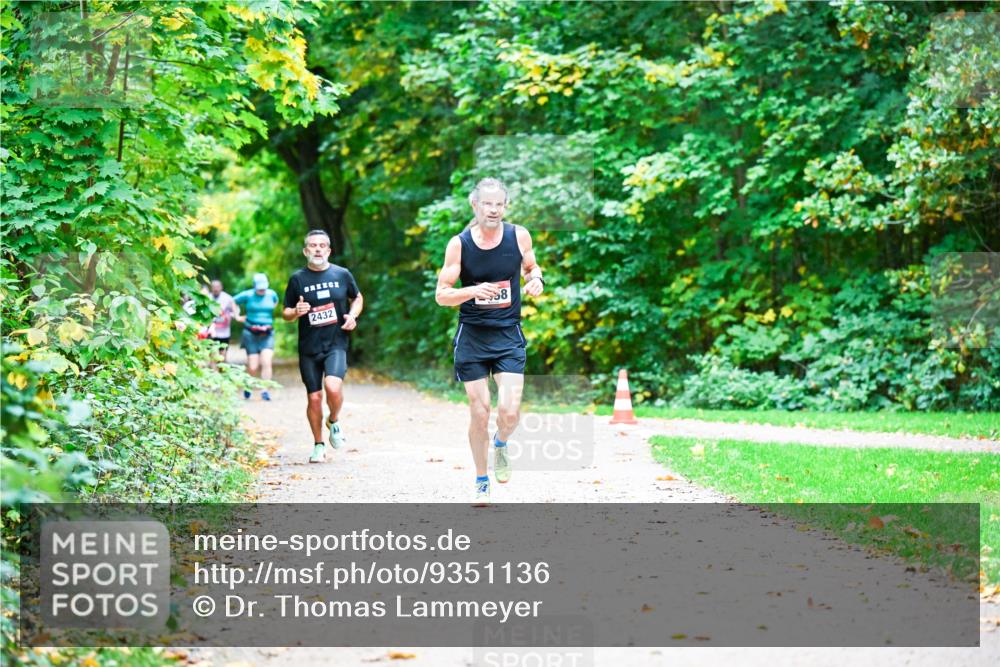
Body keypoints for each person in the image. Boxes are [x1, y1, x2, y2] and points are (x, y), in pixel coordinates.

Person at [434, 178, 544, 504]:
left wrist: (536, 279)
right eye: (487, 204)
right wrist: (471, 291)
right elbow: (442, 295)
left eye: (499, 204)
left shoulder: (518, 235)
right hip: (472, 337)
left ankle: (501, 443)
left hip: (509, 335)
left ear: (505, 207)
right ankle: (482, 479)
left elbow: (531, 266)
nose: (493, 210)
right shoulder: (459, 244)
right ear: (475, 205)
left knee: (509, 412)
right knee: (479, 411)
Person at [282, 230, 363, 464]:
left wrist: (353, 315)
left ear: (328, 250)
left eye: (322, 245)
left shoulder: (342, 274)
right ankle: (318, 444)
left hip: (336, 342)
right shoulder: (298, 279)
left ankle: (334, 420)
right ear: (306, 251)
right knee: (315, 397)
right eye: (312, 246)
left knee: (333, 387)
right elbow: (285, 311)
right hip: (308, 347)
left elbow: (357, 297)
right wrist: (295, 312)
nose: (317, 249)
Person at [234, 273, 279, 401]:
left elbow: (275, 303)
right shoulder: (247, 295)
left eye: (264, 288)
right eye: (259, 288)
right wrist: (237, 316)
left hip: (267, 333)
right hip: (250, 333)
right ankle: (248, 385)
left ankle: (265, 390)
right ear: (254, 286)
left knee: (266, 361)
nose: (262, 290)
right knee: (253, 366)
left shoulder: (271, 294)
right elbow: (233, 301)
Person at [207, 279, 237, 363]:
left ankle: (222, 373)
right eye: (213, 287)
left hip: (224, 333)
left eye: (217, 287)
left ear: (221, 287)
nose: (215, 289)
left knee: (222, 356)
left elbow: (235, 311)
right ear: (211, 288)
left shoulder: (228, 298)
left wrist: (231, 316)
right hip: (211, 331)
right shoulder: (207, 298)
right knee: (212, 354)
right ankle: (213, 374)